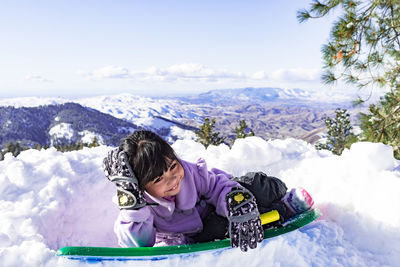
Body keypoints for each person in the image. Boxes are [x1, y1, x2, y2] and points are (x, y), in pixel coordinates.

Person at [102, 130, 314, 252]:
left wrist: (236, 203)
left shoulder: (189, 172)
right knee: (222, 229)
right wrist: (132, 202)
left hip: (219, 208)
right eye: (159, 178)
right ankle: (284, 209)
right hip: (204, 231)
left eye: (172, 166)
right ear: (140, 186)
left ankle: (276, 195)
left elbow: (217, 185)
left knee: (257, 184)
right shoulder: (140, 207)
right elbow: (137, 245)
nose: (172, 178)